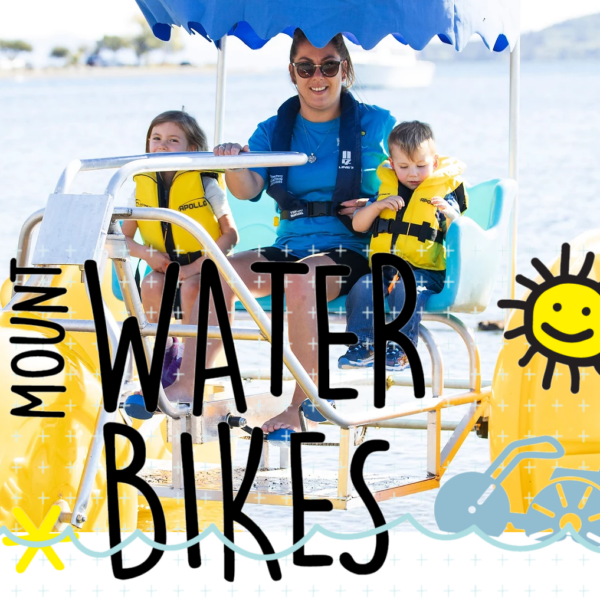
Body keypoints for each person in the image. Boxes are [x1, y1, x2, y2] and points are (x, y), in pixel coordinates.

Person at [164, 29, 396, 433]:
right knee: (218, 272)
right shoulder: (273, 129)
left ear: (346, 70)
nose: (317, 76)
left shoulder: (376, 124)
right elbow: (248, 188)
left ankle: (303, 406)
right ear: (292, 72)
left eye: (328, 66)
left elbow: (414, 172)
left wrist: (380, 198)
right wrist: (234, 162)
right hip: (289, 245)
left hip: (350, 248)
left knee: (303, 279)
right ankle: (192, 382)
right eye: (306, 67)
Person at [338, 121, 468, 371]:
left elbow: (461, 231)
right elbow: (358, 225)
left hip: (426, 271)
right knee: (364, 286)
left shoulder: (443, 193)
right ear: (392, 163)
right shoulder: (386, 190)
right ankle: (363, 346)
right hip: (387, 268)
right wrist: (375, 207)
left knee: (406, 288)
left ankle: (401, 349)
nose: (412, 174)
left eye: (421, 166)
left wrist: (450, 213)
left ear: (435, 163)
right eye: (404, 167)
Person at [122, 110, 238, 386]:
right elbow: (124, 238)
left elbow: (230, 235)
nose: (162, 145)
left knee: (192, 288)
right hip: (165, 266)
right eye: (156, 138)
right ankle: (162, 353)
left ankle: (191, 362)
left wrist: (194, 268)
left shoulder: (205, 183)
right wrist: (148, 255)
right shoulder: (141, 186)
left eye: (173, 140)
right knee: (150, 284)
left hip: (205, 267)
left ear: (192, 148)